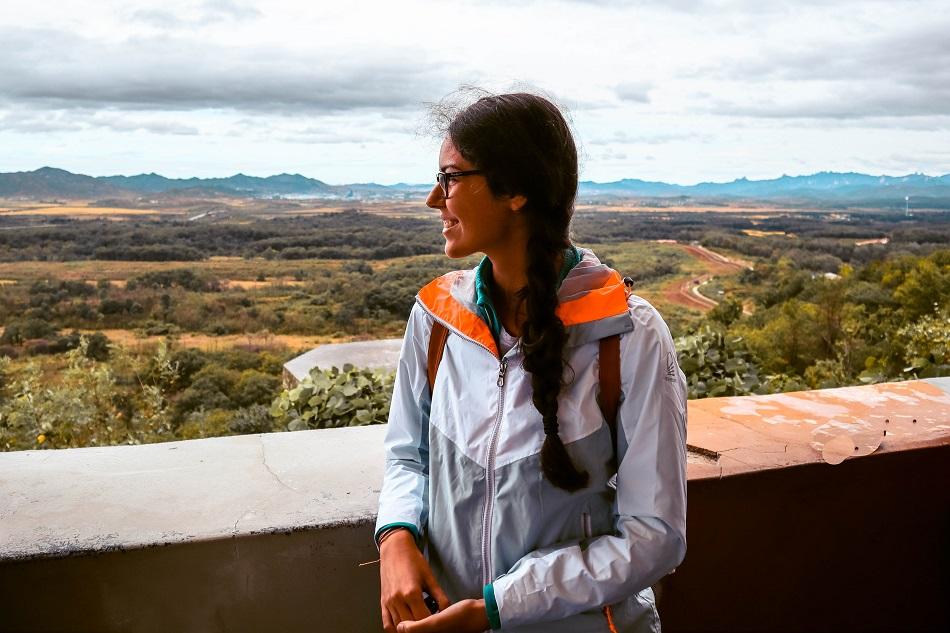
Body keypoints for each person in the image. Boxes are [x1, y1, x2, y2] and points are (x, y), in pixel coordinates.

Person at [375, 92, 687, 633]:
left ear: (515, 190)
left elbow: (654, 536)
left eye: (450, 177)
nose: (433, 198)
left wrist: (497, 608)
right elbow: (407, 454)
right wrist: (396, 535)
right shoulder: (438, 319)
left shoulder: (627, 334)